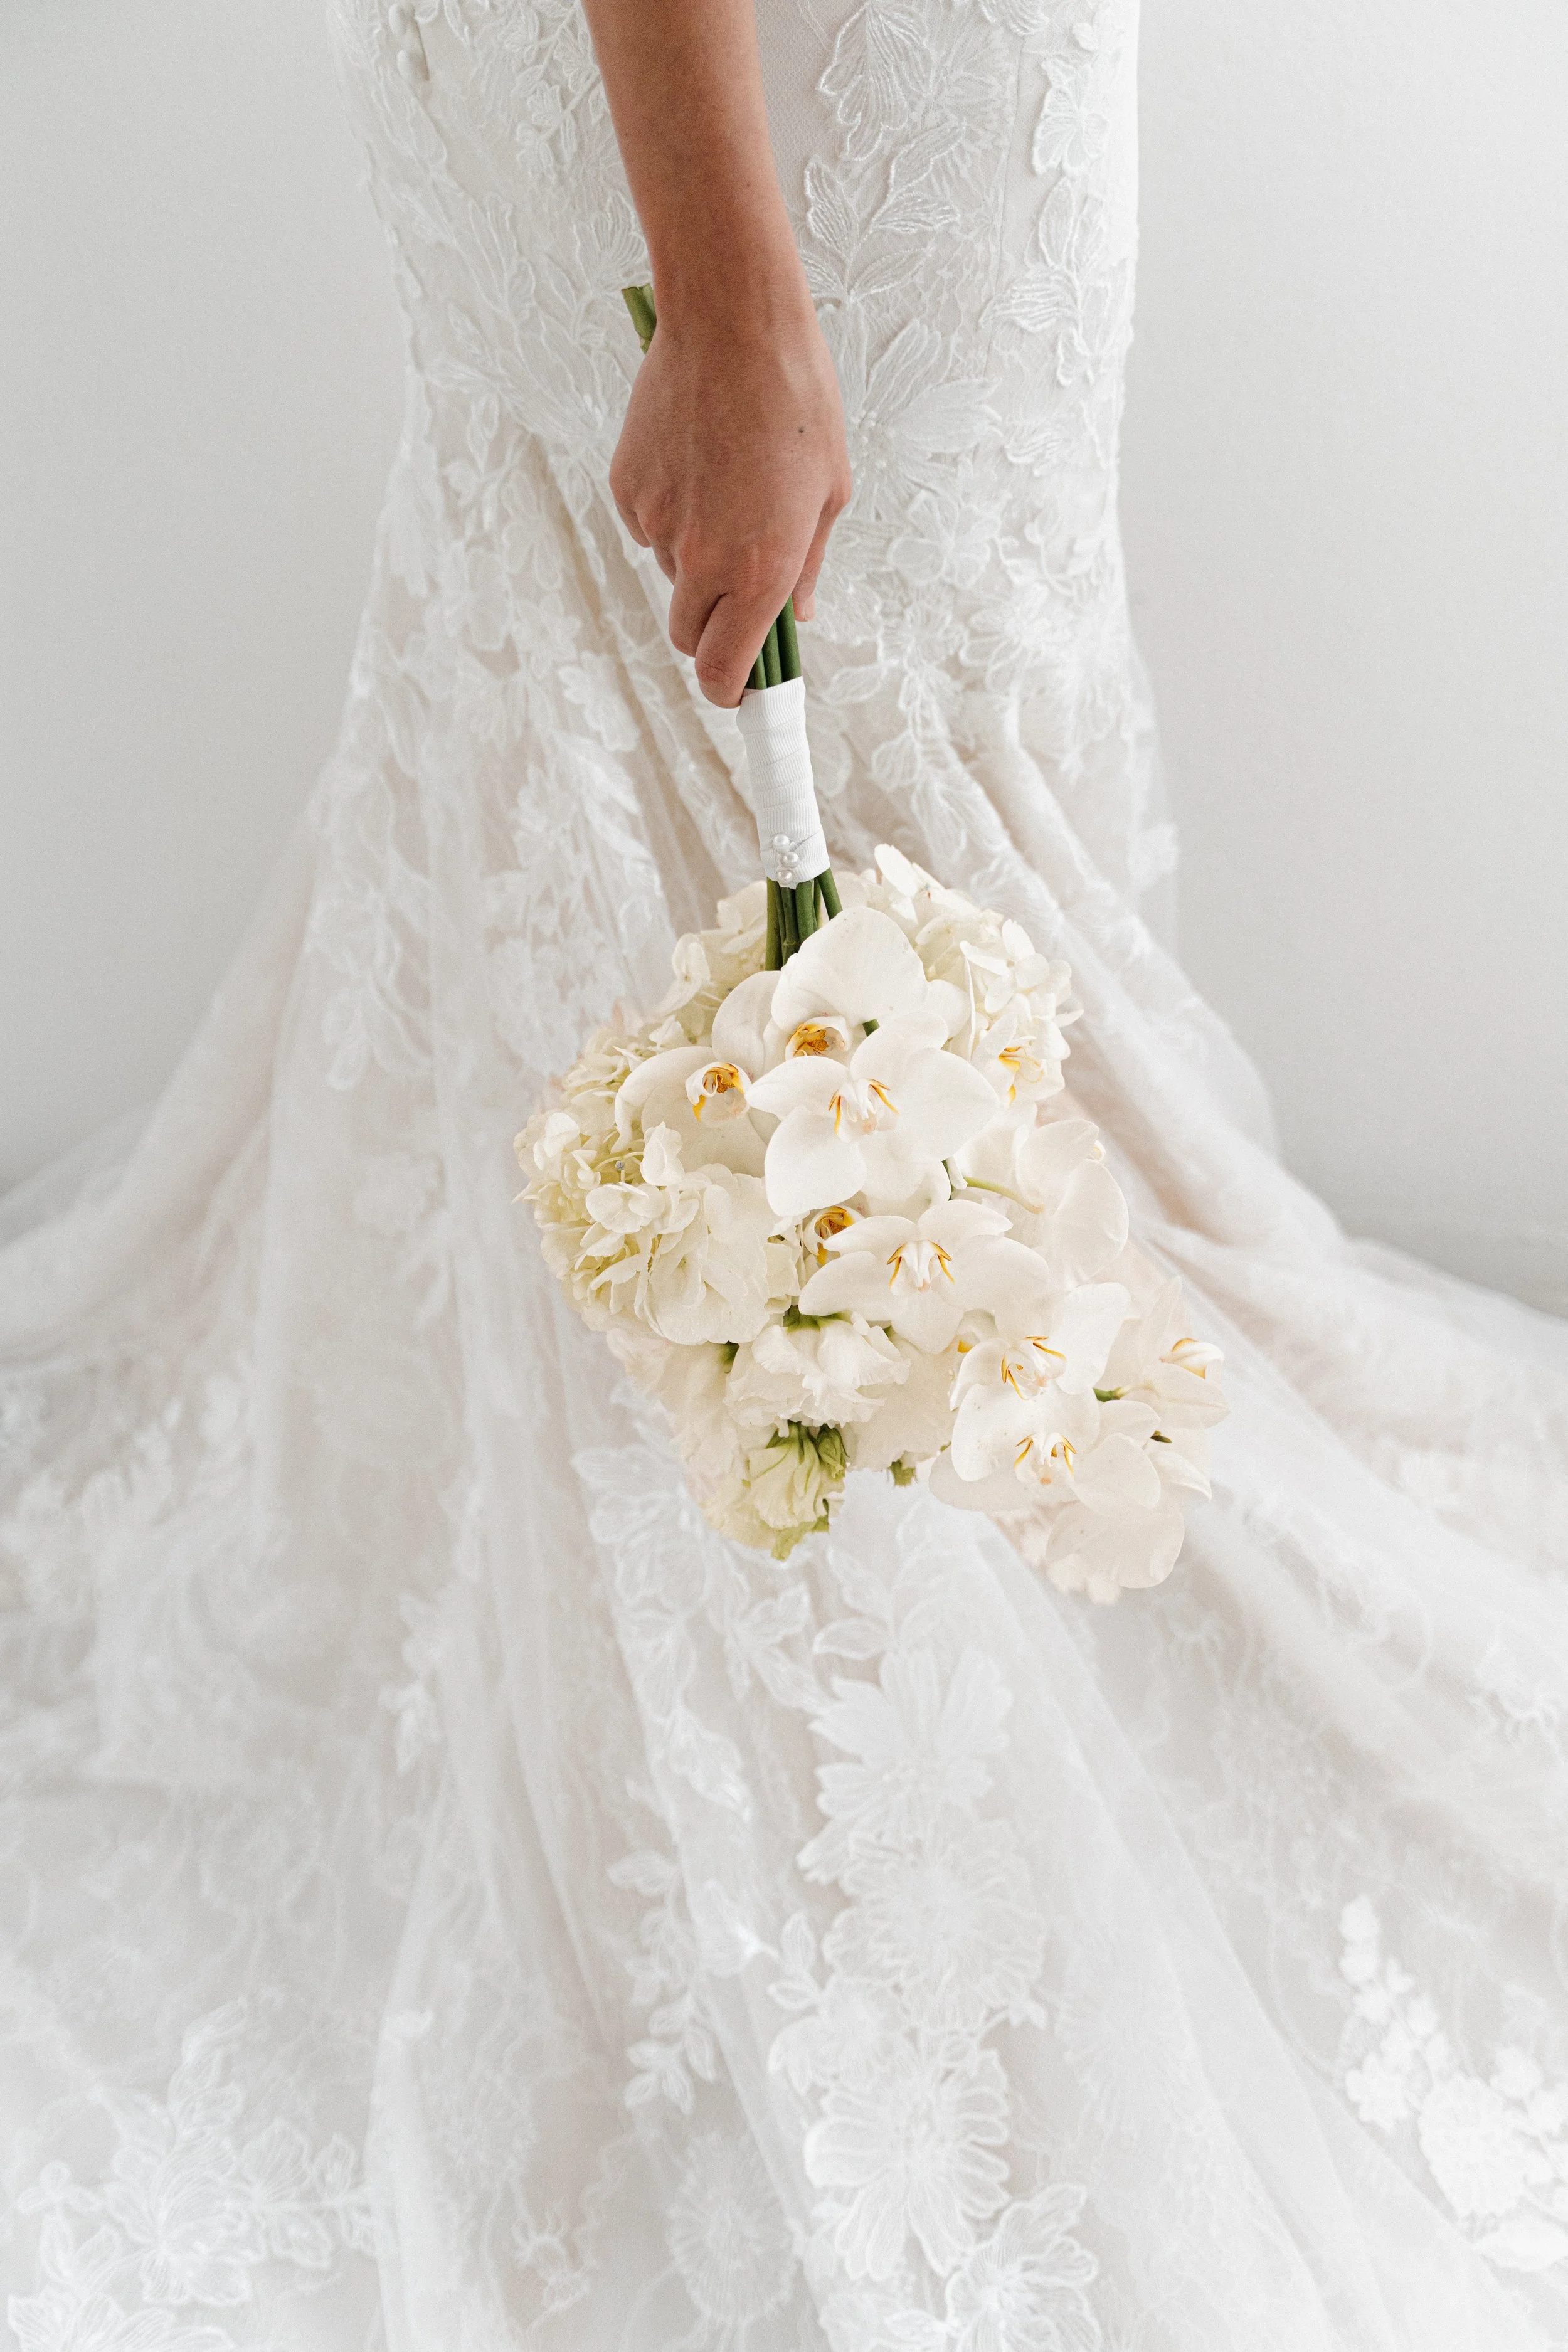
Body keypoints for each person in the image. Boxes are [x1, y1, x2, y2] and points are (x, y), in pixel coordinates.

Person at [3, 0, 1565, 2344]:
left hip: (891, 107)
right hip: (741, 142)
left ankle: (942, 1456)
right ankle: (790, 1654)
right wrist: (727, 297)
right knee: (769, 812)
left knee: (965, 807)